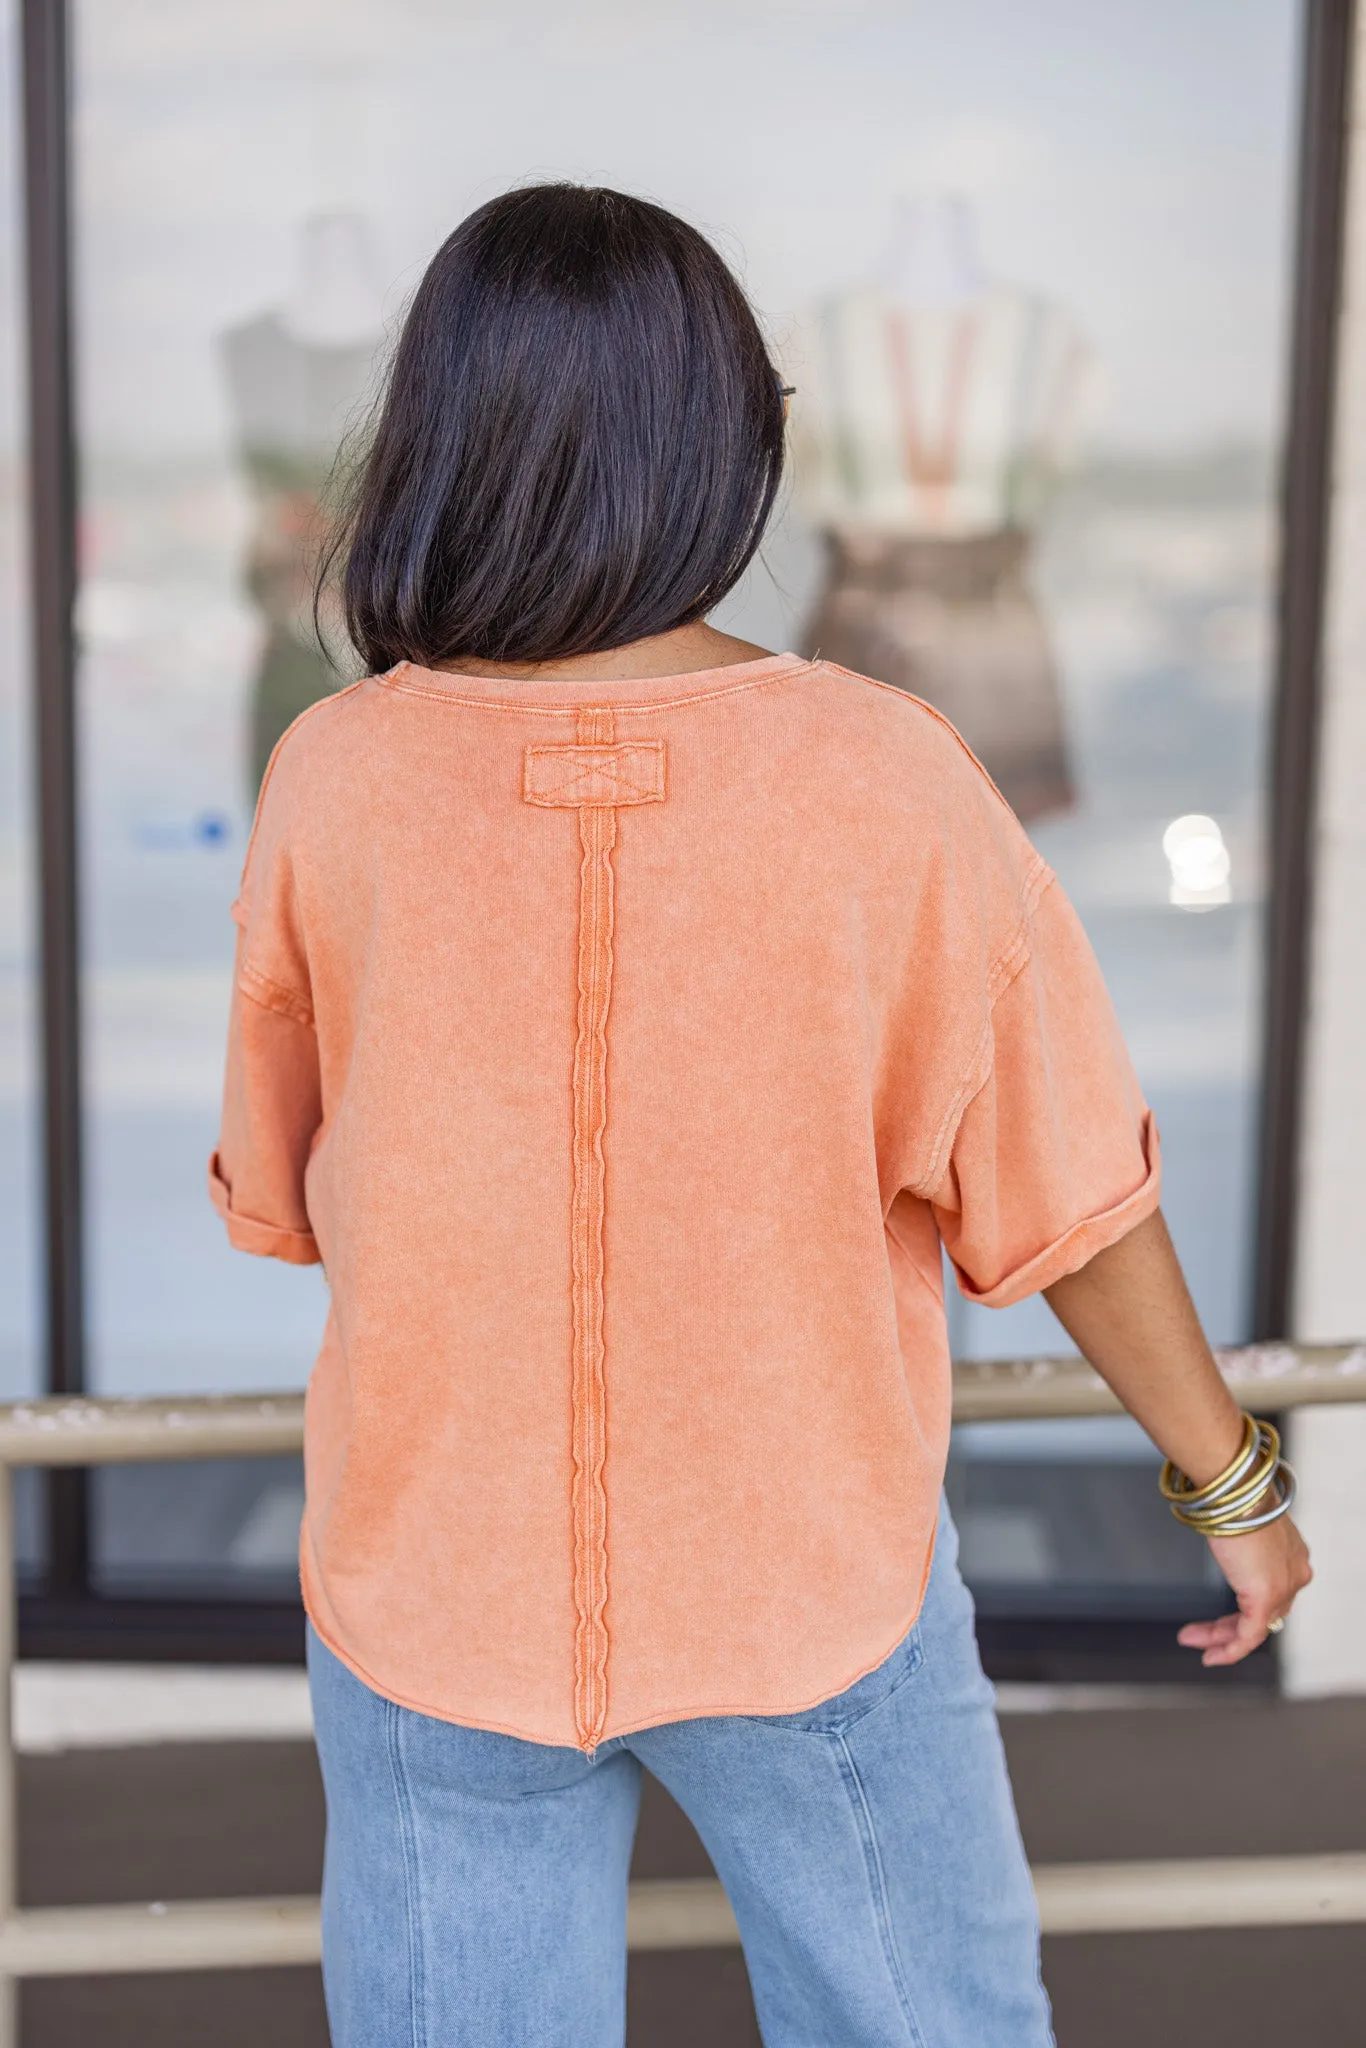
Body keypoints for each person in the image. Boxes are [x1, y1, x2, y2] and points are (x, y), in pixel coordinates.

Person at [209, 184, 1311, 2048]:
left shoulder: (335, 771)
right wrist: (1234, 1487)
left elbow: (284, 1185)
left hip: (434, 1585)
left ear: (435, 436)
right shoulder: (879, 773)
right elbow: (1066, 1194)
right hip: (807, 1579)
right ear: (725, 437)